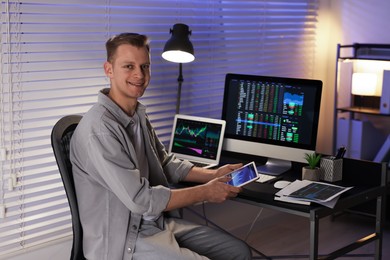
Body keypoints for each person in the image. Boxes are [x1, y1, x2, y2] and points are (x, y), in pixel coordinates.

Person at [69, 32, 252, 260]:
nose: (139, 74)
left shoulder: (137, 115)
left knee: (238, 252)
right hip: (123, 241)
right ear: (109, 70)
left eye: (145, 66)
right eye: (129, 66)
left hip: (155, 223)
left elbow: (164, 163)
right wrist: (206, 192)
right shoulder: (100, 130)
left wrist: (213, 175)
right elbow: (141, 200)